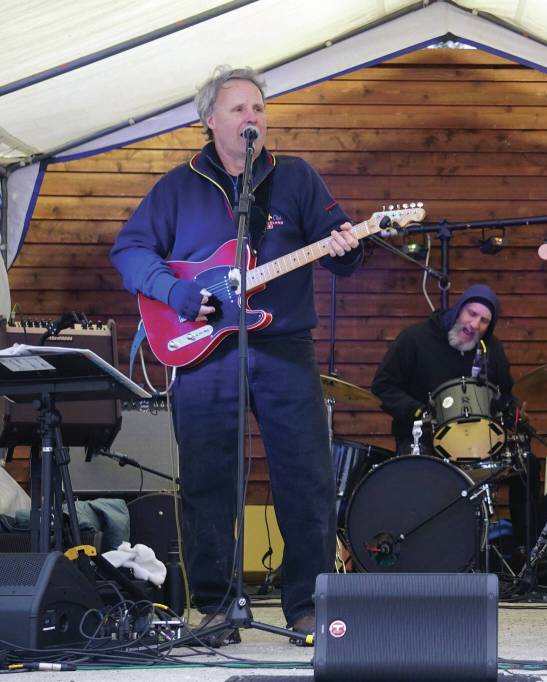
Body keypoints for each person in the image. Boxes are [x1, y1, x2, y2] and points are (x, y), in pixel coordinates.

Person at [110, 65, 363, 644]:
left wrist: (347, 249)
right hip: (202, 354)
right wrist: (176, 292)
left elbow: (340, 253)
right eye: (240, 109)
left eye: (259, 108)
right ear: (210, 121)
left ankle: (308, 605)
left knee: (307, 478)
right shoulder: (178, 186)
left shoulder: (296, 178)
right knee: (207, 481)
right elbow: (130, 250)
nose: (253, 118)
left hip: (284, 347)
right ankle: (216, 606)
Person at [371, 284, 539, 556]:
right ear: (459, 309)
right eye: (471, 314)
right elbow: (383, 385)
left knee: (526, 464)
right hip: (423, 443)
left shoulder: (490, 349)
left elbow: (503, 394)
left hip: (478, 447)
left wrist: (515, 410)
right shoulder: (416, 338)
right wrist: (418, 411)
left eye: (484, 320)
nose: (474, 324)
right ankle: (423, 553)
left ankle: (527, 555)